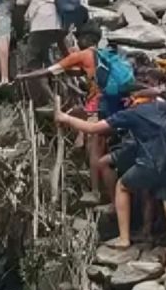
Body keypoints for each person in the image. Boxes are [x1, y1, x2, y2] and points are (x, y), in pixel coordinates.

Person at [55, 69, 166, 277]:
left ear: (132, 98)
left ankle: (124, 238)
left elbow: (93, 129)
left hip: (150, 163)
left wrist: (66, 118)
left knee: (123, 185)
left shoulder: (132, 113)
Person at [16, 23, 113, 204]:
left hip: (96, 105)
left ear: (86, 39)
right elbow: (80, 71)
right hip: (111, 104)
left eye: (79, 38)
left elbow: (50, 71)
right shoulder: (106, 55)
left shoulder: (82, 54)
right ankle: (81, 141)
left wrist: (23, 77)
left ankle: (95, 191)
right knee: (80, 116)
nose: (77, 41)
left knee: (94, 148)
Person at [15, 0, 66, 108]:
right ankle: (59, 89)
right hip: (60, 28)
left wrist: (18, 33)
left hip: (40, 26)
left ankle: (50, 100)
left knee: (34, 63)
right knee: (47, 55)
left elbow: (19, 13)